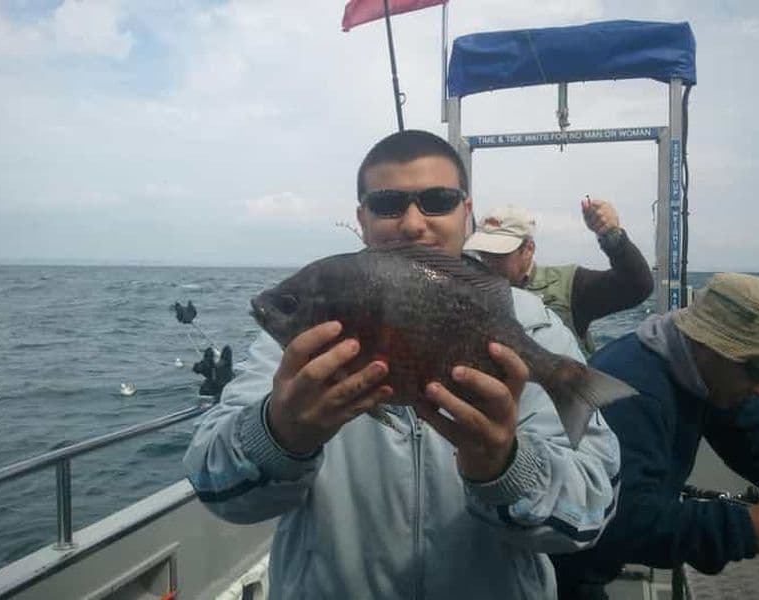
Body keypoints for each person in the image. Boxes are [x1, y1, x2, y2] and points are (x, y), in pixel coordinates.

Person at [183, 130, 621, 599]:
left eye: (438, 200)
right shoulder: (297, 355)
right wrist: (279, 432)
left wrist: (505, 466)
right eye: (388, 203)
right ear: (361, 218)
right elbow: (211, 477)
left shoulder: (533, 330)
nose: (414, 223)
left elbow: (591, 509)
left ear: (466, 212)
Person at [551, 273, 759, 600]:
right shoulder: (631, 391)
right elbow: (618, 520)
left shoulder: (703, 374)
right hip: (557, 575)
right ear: (710, 344)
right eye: (757, 371)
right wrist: (746, 529)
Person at [464, 201, 653, 356]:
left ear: (529, 249)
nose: (488, 263)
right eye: (484, 254)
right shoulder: (470, 293)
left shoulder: (569, 286)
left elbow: (636, 285)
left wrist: (611, 235)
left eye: (499, 255)